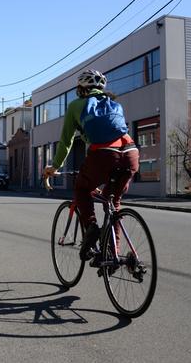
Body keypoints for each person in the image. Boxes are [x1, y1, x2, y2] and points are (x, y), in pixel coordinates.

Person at [43, 69, 139, 263]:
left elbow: (66, 141)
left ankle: (92, 228)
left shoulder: (75, 105)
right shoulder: (115, 105)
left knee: (81, 187)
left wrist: (54, 167)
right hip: (131, 153)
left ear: (81, 89)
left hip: (104, 155)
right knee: (113, 203)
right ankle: (112, 255)